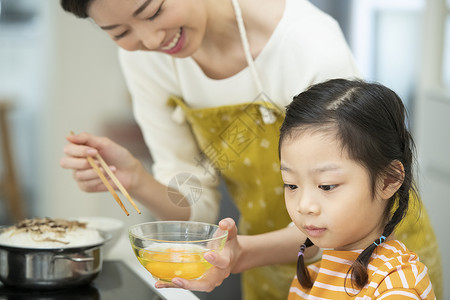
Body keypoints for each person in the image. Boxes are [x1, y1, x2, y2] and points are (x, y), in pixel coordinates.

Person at [58, 0, 442, 299]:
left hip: (368, 249)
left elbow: (348, 190)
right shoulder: (146, 61)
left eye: (154, 10)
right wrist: (136, 181)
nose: (151, 40)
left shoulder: (306, 41)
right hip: (282, 264)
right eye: (120, 31)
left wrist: (241, 254)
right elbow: (196, 198)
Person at [161, 79, 436, 299]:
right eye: (291, 185)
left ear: (389, 179)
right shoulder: (317, 269)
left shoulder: (396, 286)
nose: (304, 205)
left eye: (327, 186)